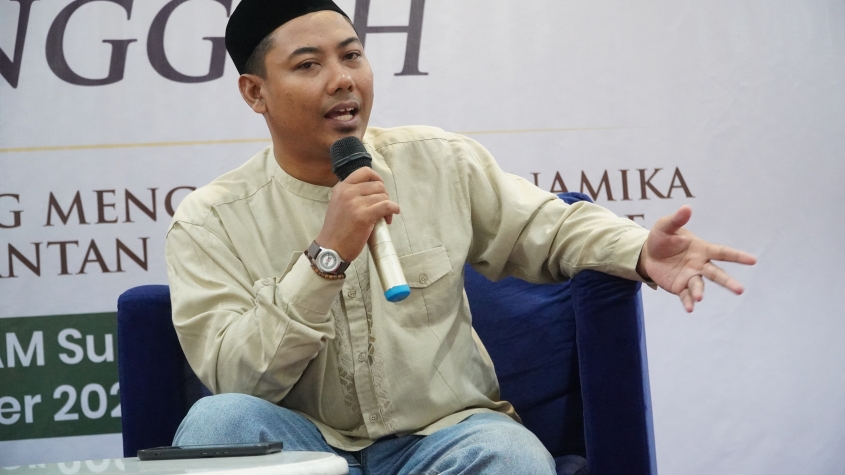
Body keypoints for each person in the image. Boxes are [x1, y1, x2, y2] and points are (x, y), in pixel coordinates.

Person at [164, 1, 757, 473]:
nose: (343, 80)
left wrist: (640, 250)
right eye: (308, 65)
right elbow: (236, 378)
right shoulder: (208, 220)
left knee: (512, 456)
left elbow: (550, 226)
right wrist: (326, 258)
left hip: (443, 440)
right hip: (306, 448)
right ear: (255, 92)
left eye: (352, 56)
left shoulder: (438, 161)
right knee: (218, 424)